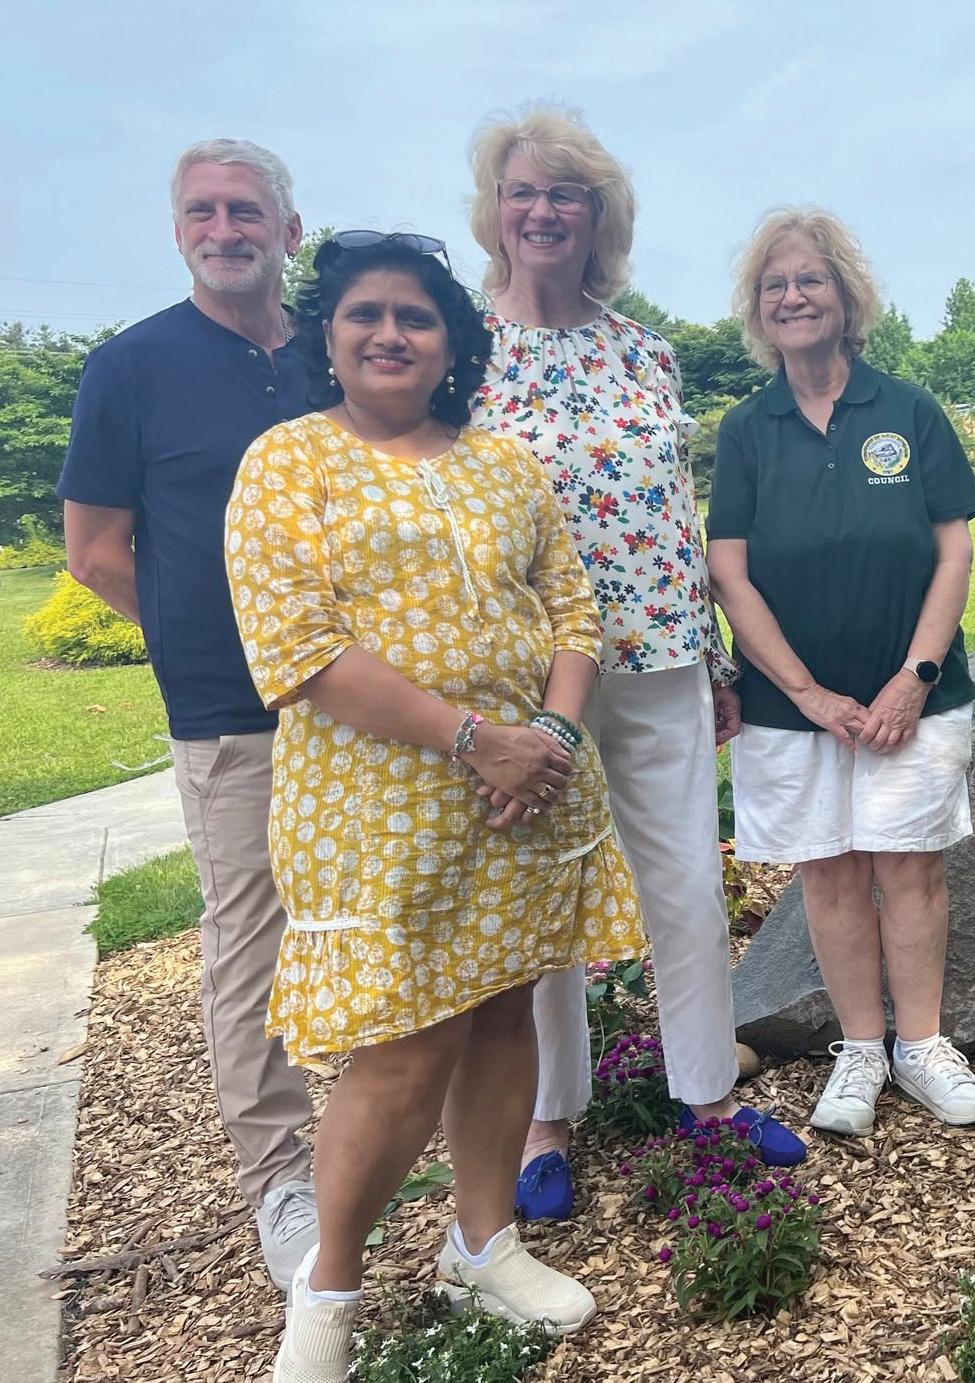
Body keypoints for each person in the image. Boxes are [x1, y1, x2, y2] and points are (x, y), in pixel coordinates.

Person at [224, 232, 643, 1380]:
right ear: (326, 335)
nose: (389, 334)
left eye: (415, 316)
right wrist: (475, 740)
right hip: (378, 808)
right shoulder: (288, 462)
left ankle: (482, 1245)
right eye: (365, 313)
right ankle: (327, 1296)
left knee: (504, 1014)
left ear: (453, 343)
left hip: (526, 798)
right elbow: (299, 647)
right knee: (403, 1050)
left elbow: (572, 611)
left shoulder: (503, 464)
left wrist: (552, 737)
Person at [466, 106, 804, 1221]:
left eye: (565, 193)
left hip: (659, 657)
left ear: (597, 215)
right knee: (546, 897)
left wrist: (712, 659)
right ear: (495, 210)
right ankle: (546, 1122)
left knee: (689, 885)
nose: (543, 210)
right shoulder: (464, 349)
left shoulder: (643, 350)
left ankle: (706, 1096)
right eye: (523, 191)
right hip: (528, 678)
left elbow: (672, 514)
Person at [58, 139, 319, 1287]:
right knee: (251, 943)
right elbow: (92, 550)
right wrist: (200, 633)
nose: (225, 230)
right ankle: (282, 1181)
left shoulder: (331, 350)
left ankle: (403, 1124)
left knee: (387, 915)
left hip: (365, 700)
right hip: (228, 709)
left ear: (288, 231)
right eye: (203, 212)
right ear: (177, 232)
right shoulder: (130, 368)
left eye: (246, 210)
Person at [707, 208, 975, 1139]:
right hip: (791, 707)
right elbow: (728, 569)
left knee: (911, 869)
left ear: (846, 296)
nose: (793, 297)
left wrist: (914, 677)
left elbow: (953, 552)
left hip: (913, 697)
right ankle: (862, 1051)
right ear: (759, 308)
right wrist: (807, 693)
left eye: (811, 279)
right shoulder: (746, 429)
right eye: (775, 284)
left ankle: (922, 1046)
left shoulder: (908, 411)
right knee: (829, 875)